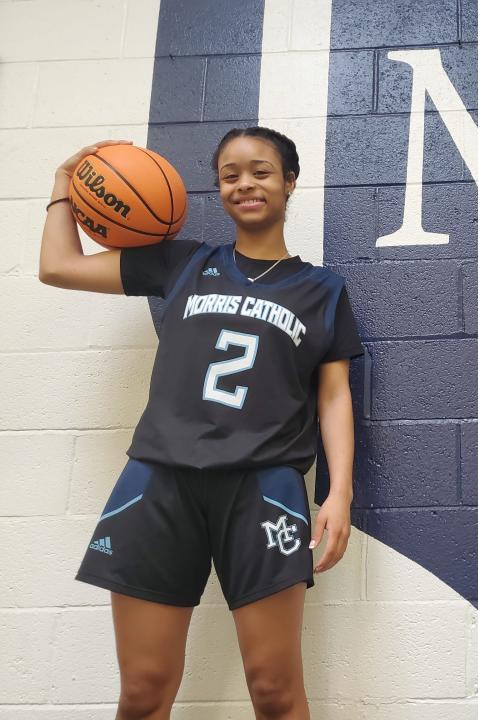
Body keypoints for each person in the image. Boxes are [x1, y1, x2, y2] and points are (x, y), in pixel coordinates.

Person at [39, 127, 363, 719]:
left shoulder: (323, 289)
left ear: (290, 182)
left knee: (274, 691)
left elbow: (334, 397)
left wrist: (338, 492)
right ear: (218, 190)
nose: (245, 184)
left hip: (265, 485)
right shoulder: (182, 262)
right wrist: (65, 184)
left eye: (261, 171)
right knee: (142, 691)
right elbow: (58, 267)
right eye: (230, 175)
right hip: (159, 481)